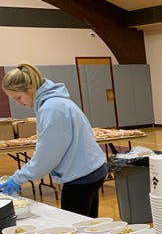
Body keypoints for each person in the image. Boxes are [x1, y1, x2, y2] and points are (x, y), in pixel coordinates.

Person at [0, 63, 108, 217]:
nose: (18, 103)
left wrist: (18, 178)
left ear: (30, 88)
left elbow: (47, 156)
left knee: (73, 225)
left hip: (82, 175)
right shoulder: (56, 102)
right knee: (88, 223)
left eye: (18, 97)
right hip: (90, 169)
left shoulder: (52, 108)